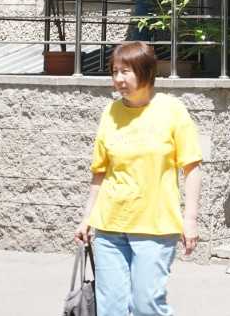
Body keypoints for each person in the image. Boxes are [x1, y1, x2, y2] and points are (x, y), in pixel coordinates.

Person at [75, 41, 202, 316]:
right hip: (109, 225)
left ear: (146, 72)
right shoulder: (110, 112)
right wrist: (87, 217)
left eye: (126, 71)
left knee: (147, 305)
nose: (119, 79)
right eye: (115, 71)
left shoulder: (172, 110)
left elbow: (192, 167)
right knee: (111, 308)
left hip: (154, 227)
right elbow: (100, 171)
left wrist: (190, 219)